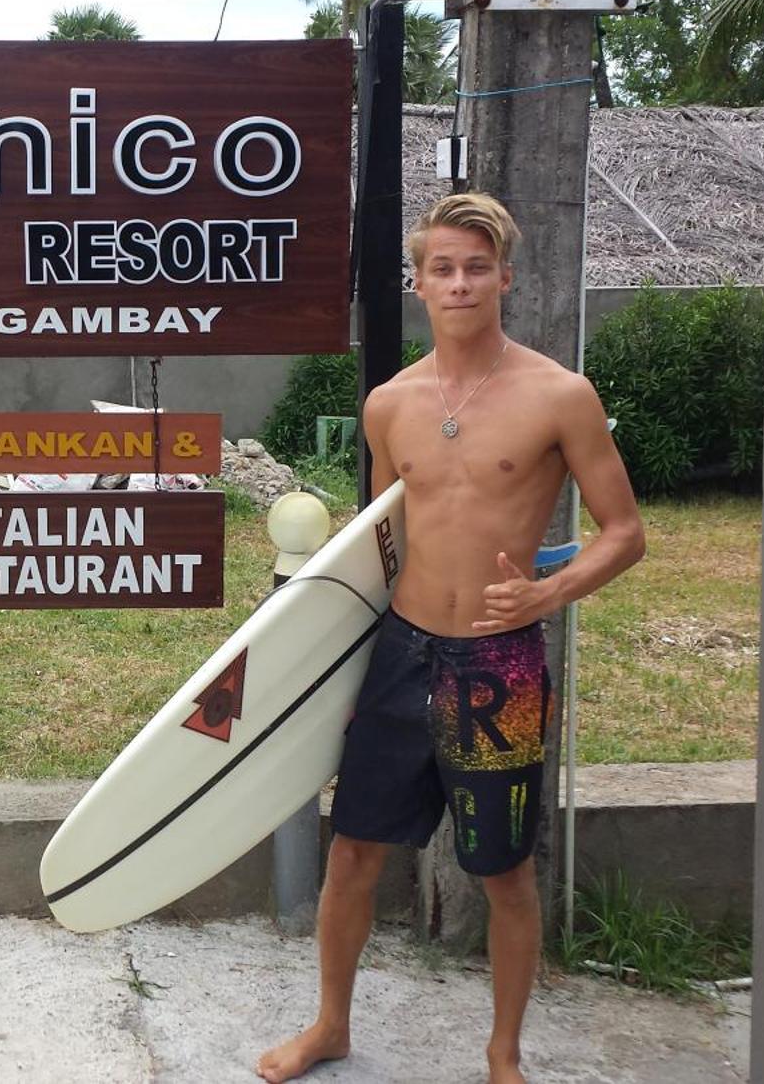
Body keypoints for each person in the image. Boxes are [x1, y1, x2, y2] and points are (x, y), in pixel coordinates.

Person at [258, 193, 646, 1083]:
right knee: (353, 849)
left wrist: (547, 594)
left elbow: (625, 532)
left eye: (478, 267)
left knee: (503, 870)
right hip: (402, 651)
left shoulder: (560, 395)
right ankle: (329, 1025)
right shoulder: (389, 406)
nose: (460, 282)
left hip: (499, 662)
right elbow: (381, 540)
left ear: (505, 277)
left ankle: (504, 1055)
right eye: (443, 267)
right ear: (420, 281)